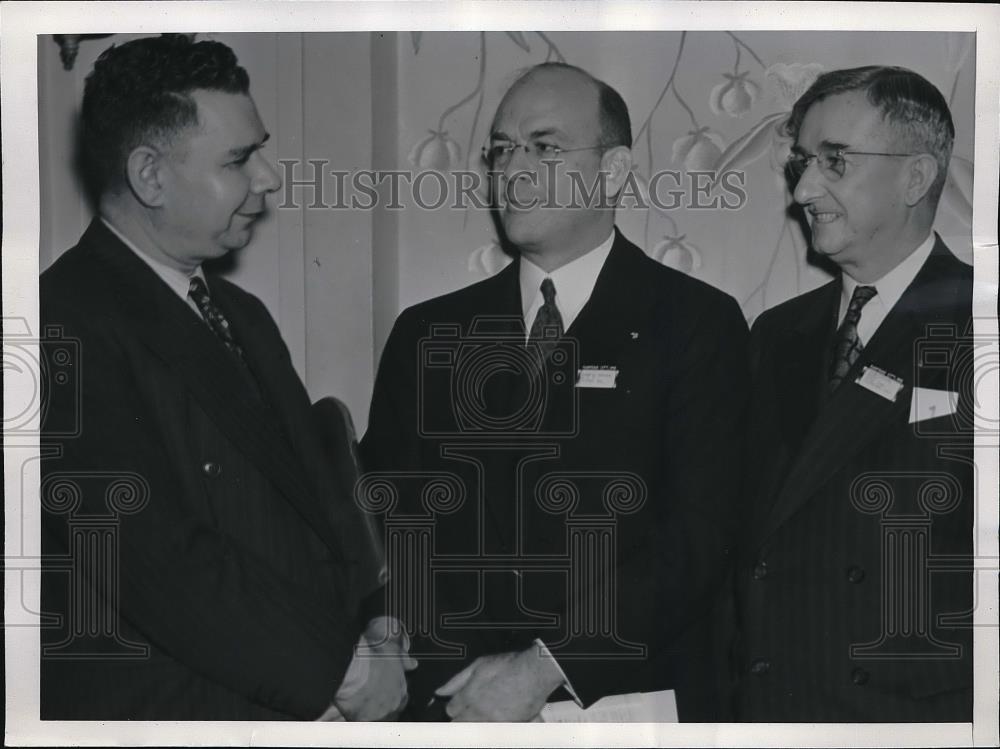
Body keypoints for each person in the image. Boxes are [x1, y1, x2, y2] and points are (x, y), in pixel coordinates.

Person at [39, 34, 414, 721]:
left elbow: (324, 507)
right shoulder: (58, 323)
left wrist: (378, 626)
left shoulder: (242, 313)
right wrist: (347, 672)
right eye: (240, 160)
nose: (269, 177)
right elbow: (159, 561)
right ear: (150, 174)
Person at [361, 62, 749, 721]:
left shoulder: (695, 323)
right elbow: (386, 514)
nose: (513, 170)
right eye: (503, 150)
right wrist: (383, 634)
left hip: (620, 698)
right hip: (451, 701)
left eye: (544, 147)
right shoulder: (429, 330)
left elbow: (700, 536)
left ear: (616, 169)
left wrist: (546, 666)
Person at [734, 66, 973, 721]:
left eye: (834, 162)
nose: (804, 189)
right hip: (773, 707)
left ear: (916, 177)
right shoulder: (778, 332)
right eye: (803, 163)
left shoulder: (985, 323)